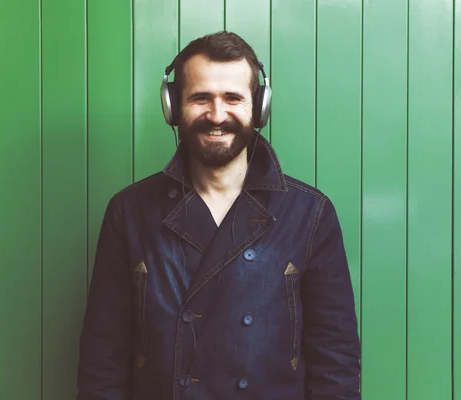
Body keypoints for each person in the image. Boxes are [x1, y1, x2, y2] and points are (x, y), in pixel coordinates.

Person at [76, 31, 361, 400]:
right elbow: (103, 360)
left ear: (258, 109)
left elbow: (335, 361)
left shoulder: (309, 214)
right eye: (200, 98)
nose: (216, 115)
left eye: (232, 98)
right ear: (173, 107)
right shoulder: (129, 212)